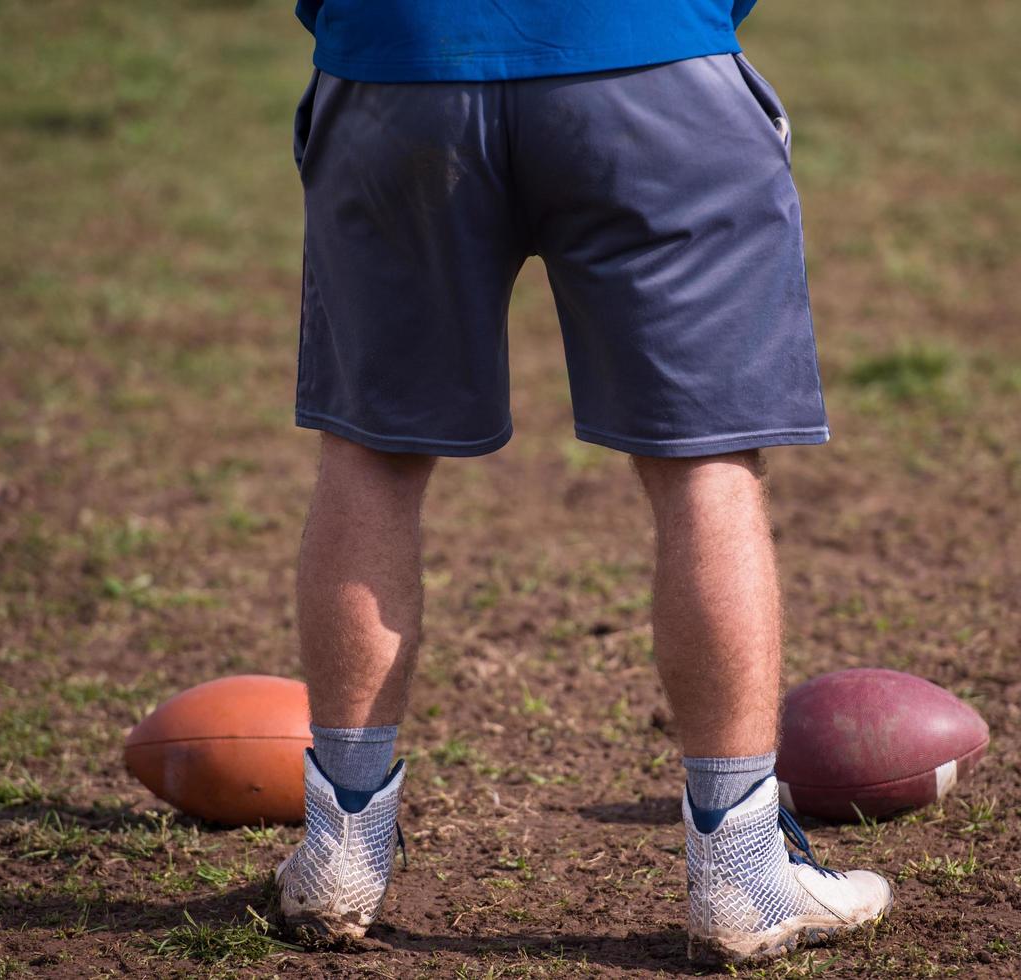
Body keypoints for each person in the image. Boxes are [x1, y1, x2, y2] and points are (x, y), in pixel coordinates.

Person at [271, 0, 893, 966]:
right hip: (649, 62)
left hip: (397, 69)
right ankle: (740, 872)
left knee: (371, 454)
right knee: (705, 467)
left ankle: (340, 848)